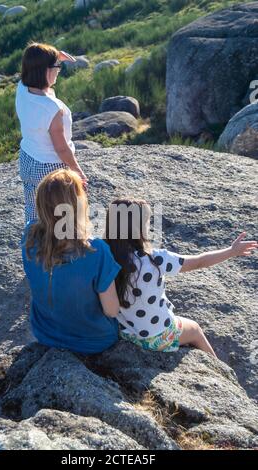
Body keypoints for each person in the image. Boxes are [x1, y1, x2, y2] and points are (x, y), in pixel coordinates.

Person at [104, 198, 257, 357]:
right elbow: (199, 262)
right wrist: (231, 251)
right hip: (156, 336)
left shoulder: (104, 255)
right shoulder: (156, 258)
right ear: (140, 227)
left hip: (124, 332)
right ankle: (220, 370)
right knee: (195, 329)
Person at [20, 169, 120, 355]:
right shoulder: (97, 250)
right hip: (94, 342)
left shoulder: (29, 236)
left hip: (44, 334)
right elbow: (112, 311)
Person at [16, 41, 88, 224]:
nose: (59, 70)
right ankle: (59, 246)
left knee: (34, 207)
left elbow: (36, 65)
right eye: (57, 67)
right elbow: (61, 147)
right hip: (50, 166)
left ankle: (32, 241)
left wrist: (55, 57)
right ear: (46, 71)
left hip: (27, 158)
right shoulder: (52, 108)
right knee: (59, 212)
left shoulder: (22, 88)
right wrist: (76, 169)